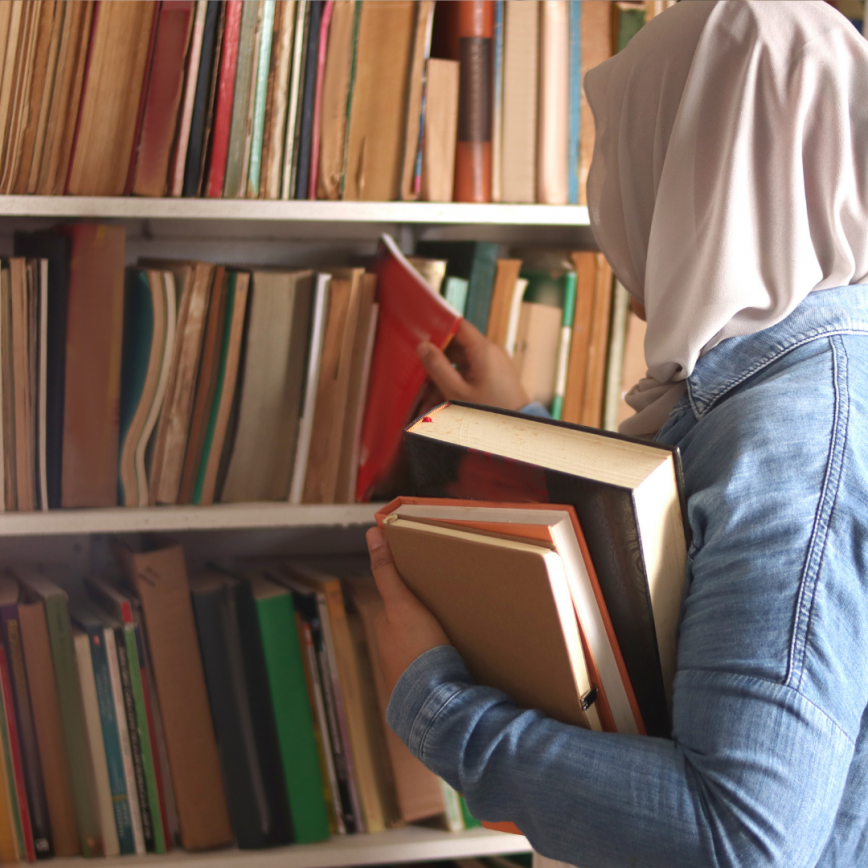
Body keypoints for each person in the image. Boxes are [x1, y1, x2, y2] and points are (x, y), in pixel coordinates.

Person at [366, 2, 868, 866]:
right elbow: (679, 578)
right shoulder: (789, 375)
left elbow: (737, 841)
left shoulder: (789, 440)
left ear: (693, 178)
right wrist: (517, 427)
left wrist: (436, 703)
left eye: (634, 157)